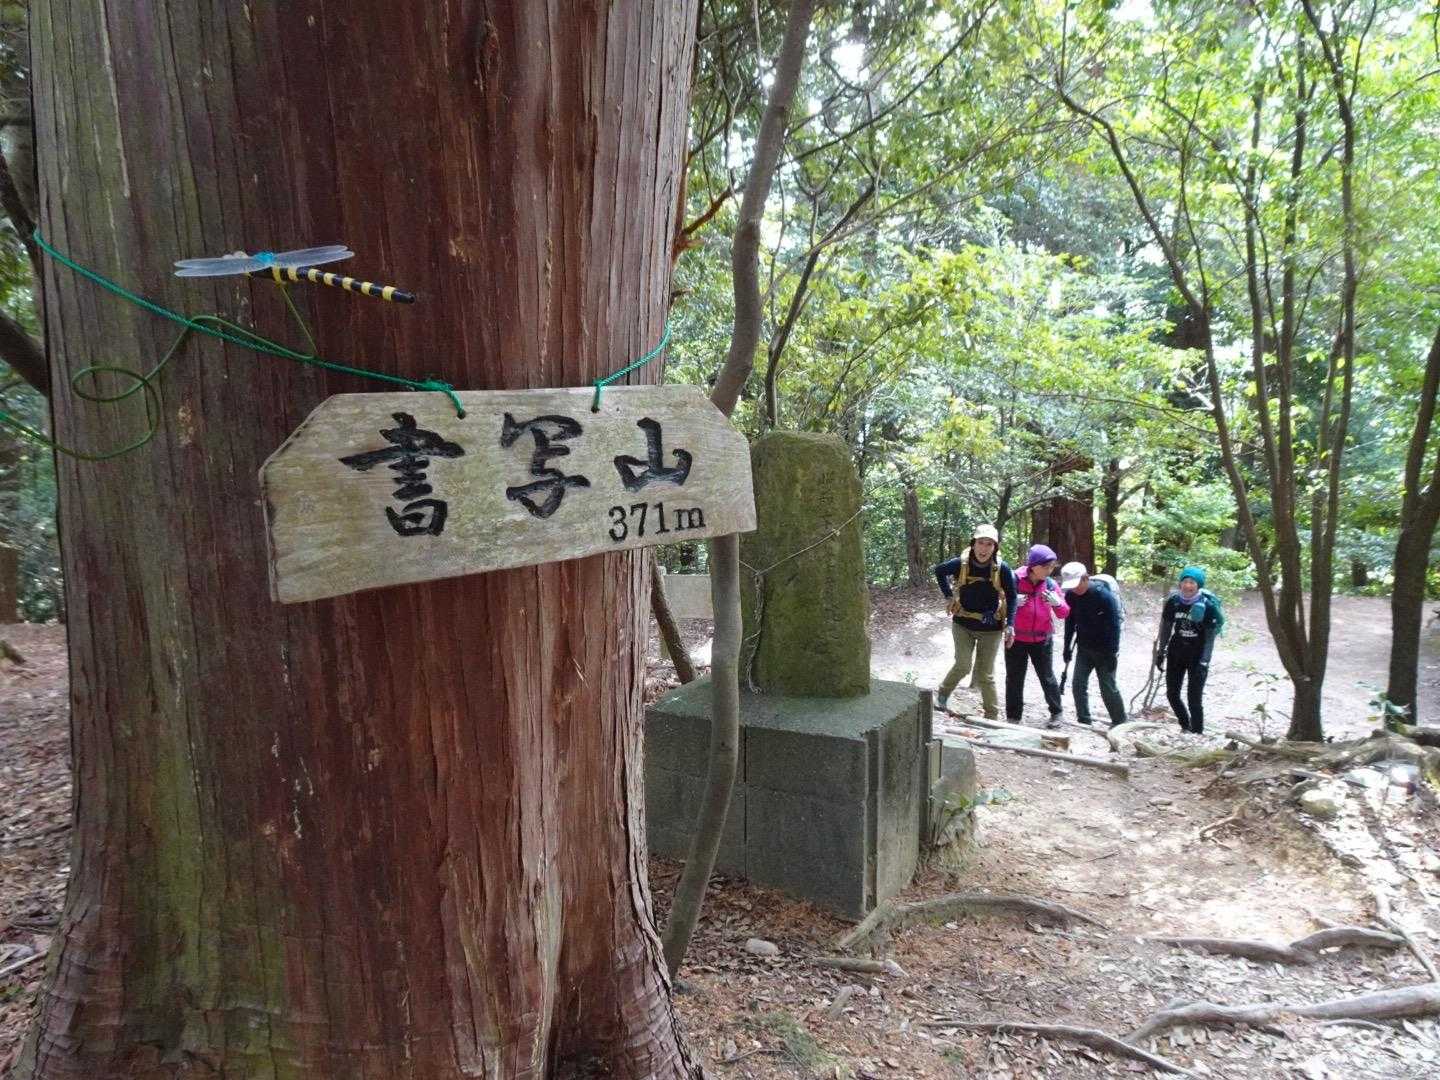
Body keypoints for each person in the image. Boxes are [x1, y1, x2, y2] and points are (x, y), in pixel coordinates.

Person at [933, 524, 1017, 719]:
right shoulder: (960, 563)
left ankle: (992, 715)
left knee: (986, 674)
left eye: (989, 544)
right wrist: (948, 596)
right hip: (963, 623)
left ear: (995, 547)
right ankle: (943, 694)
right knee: (963, 665)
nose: (984, 549)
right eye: (980, 543)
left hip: (991, 627)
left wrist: (1010, 624)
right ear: (973, 544)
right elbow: (939, 571)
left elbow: (1012, 596)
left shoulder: (1002, 568)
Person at [1156, 566, 1225, 734]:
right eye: (1185, 581)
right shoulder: (1173, 602)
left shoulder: (1207, 605)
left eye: (1192, 582)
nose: (1188, 585)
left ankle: (1198, 732)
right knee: (1172, 694)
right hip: (1176, 652)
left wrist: (1204, 661)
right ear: (1180, 583)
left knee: (1194, 697)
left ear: (1198, 585)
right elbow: (1166, 628)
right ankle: (1185, 726)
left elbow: (1210, 637)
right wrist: (1161, 652)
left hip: (1197, 654)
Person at [1006, 544, 1069, 727]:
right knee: (1014, 677)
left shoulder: (1050, 584)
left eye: (1052, 567)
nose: (1049, 570)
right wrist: (1011, 602)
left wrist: (1057, 603)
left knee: (1047, 676)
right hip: (1016, 638)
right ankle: (1013, 717)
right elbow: (996, 603)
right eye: (1046, 566)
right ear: (1033, 566)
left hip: (1042, 639)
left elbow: (1064, 613)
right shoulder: (1013, 579)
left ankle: (1057, 713)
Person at [1060, 561, 1126, 728]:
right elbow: (1070, 622)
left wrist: (1113, 652)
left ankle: (1120, 721)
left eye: (1076, 584)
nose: (1074, 589)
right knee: (1078, 684)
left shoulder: (1103, 596)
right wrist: (1067, 647)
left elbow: (1114, 626)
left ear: (1086, 578)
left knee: (1107, 687)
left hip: (1104, 650)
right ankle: (1084, 719)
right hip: (1084, 647)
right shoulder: (1071, 596)